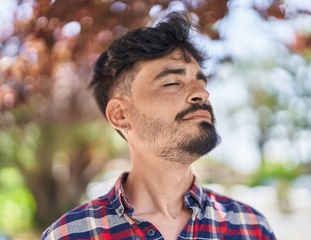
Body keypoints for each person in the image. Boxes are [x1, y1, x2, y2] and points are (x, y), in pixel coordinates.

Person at [42, 12, 276, 240]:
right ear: (120, 115)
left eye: (200, 81)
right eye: (173, 82)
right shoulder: (69, 235)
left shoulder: (251, 229)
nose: (201, 94)